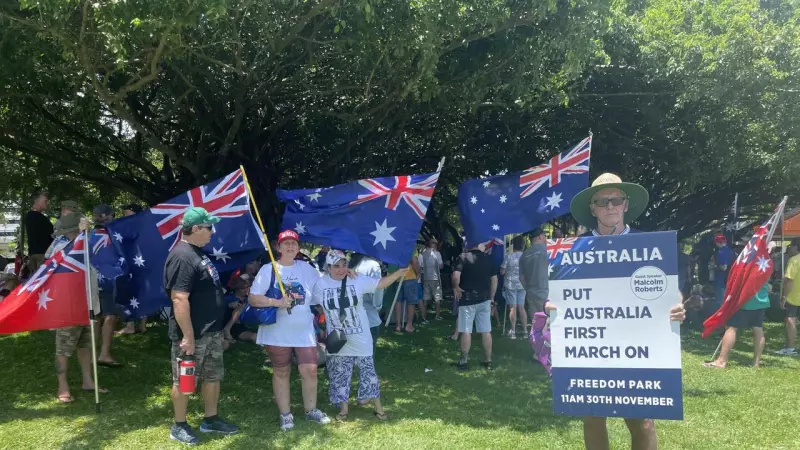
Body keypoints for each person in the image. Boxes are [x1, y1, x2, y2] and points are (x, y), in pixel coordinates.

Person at [567, 172, 686, 450]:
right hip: (592, 344)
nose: (610, 206)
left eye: (616, 200)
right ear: (592, 208)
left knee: (642, 421)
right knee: (593, 417)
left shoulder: (649, 243)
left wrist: (677, 304)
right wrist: (554, 308)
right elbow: (565, 292)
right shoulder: (576, 248)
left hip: (639, 344)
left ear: (626, 205)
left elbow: (669, 287)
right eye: (602, 201)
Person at [164, 207, 239, 444]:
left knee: (212, 376)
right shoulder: (182, 257)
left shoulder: (198, 254)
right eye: (209, 227)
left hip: (211, 331)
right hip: (193, 334)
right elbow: (179, 298)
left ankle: (211, 419)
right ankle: (179, 425)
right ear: (196, 228)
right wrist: (188, 336)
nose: (212, 232)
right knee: (184, 380)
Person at [248, 230, 331, 431]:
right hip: (277, 331)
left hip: (304, 330)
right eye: (286, 243)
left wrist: (346, 275)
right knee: (281, 371)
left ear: (298, 247)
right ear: (278, 247)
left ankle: (311, 410)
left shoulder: (307, 269)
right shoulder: (269, 269)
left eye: (294, 243)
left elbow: (325, 287)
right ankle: (285, 414)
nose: (290, 246)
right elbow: (253, 299)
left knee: (310, 370)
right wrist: (276, 302)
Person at [312, 250, 407, 421]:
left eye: (344, 265)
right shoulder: (320, 284)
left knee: (369, 373)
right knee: (340, 374)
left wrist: (398, 273)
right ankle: (343, 410)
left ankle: (379, 409)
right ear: (329, 268)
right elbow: (314, 304)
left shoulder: (356, 279)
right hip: (338, 339)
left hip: (361, 337)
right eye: (336, 266)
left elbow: (380, 284)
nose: (341, 269)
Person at [50, 213, 107, 403]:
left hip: (89, 304)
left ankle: (88, 381)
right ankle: (62, 386)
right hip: (69, 308)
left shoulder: (86, 243)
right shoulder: (61, 247)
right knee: (64, 348)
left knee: (86, 345)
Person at [452, 241, 497, 371]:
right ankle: (488, 361)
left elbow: (456, 276)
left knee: (466, 330)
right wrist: (492, 297)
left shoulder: (463, 257)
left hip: (467, 298)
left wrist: (456, 287)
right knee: (486, 330)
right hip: (484, 298)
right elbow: (494, 280)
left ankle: (463, 361)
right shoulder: (488, 258)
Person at [704, 282, 770, 368]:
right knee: (758, 328)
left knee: (731, 327)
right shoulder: (767, 271)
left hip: (743, 299)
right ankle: (756, 363)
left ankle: (721, 361)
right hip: (761, 300)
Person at [92, 204, 122, 368]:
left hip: (91, 279)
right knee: (110, 316)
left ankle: (93, 352)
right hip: (109, 279)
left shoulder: (87, 235)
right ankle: (104, 354)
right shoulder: (114, 235)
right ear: (108, 216)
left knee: (96, 317)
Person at [117, 203, 148, 335]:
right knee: (128, 293)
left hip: (142, 264)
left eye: (128, 214)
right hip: (128, 266)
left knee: (143, 293)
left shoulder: (144, 229)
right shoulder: (122, 229)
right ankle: (130, 325)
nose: (126, 217)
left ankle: (142, 325)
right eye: (124, 214)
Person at [351, 254, 384, 353]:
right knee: (367, 356)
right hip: (368, 318)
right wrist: (378, 306)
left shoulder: (351, 262)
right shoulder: (373, 265)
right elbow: (377, 293)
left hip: (350, 318)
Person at [776, 240, 800, 356]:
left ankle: (791, 348)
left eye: (790, 246)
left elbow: (789, 281)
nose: (788, 248)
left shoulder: (794, 260)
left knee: (790, 320)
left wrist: (784, 297)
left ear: (796, 247)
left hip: (793, 296)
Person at [519, 227, 549, 317]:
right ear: (540, 236)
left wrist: (528, 289)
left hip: (531, 295)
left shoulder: (524, 254)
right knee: (551, 322)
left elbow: (521, 278)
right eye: (545, 236)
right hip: (547, 294)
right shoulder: (548, 250)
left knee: (537, 322)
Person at [222, 274, 258, 349]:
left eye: (248, 287)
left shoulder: (249, 298)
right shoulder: (229, 298)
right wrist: (229, 305)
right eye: (243, 288)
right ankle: (227, 330)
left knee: (255, 337)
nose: (246, 290)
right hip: (227, 325)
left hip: (240, 327)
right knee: (241, 307)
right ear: (237, 289)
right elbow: (220, 307)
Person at [501, 235, 527, 339]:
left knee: (513, 307)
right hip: (522, 284)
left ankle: (513, 331)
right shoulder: (526, 257)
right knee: (521, 307)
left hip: (511, 284)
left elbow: (502, 271)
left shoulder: (509, 256)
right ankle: (525, 331)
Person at [25, 192, 53, 273]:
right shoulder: (41, 218)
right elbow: (51, 234)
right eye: (45, 201)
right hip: (42, 255)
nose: (47, 203)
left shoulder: (29, 216)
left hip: (33, 254)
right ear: (37, 202)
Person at [393, 257, 421, 332]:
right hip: (410, 276)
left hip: (398, 276)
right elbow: (414, 261)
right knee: (411, 302)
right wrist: (418, 272)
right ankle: (409, 326)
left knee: (398, 301)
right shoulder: (412, 249)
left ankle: (398, 325)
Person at [418, 238, 444, 321]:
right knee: (437, 297)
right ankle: (437, 316)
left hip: (425, 278)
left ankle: (424, 316)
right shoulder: (437, 254)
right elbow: (441, 266)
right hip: (435, 278)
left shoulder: (422, 253)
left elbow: (420, 266)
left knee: (425, 298)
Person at [710, 235, 735, 310]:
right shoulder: (731, 251)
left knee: (720, 302)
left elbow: (724, 267)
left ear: (718, 243)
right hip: (729, 279)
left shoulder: (721, 252)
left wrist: (713, 266)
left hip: (721, 280)